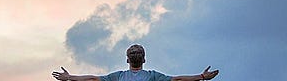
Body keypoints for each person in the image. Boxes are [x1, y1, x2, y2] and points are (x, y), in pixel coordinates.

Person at [52, 44, 219, 81]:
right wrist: (202, 76)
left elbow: (93, 79)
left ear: (127, 60)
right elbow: (177, 79)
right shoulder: (152, 76)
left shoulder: (118, 77)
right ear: (144, 59)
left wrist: (69, 77)